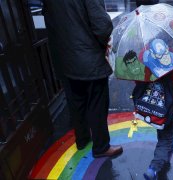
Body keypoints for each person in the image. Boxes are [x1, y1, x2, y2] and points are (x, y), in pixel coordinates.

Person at [43, 0, 123, 158]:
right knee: (97, 104)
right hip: (89, 57)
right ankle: (101, 147)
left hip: (65, 57)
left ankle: (82, 139)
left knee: (76, 101)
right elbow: (102, 25)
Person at [140, 65, 173, 179]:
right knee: (166, 138)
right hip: (169, 109)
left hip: (153, 107)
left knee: (160, 126)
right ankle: (153, 168)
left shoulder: (145, 58)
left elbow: (138, 80)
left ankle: (166, 144)